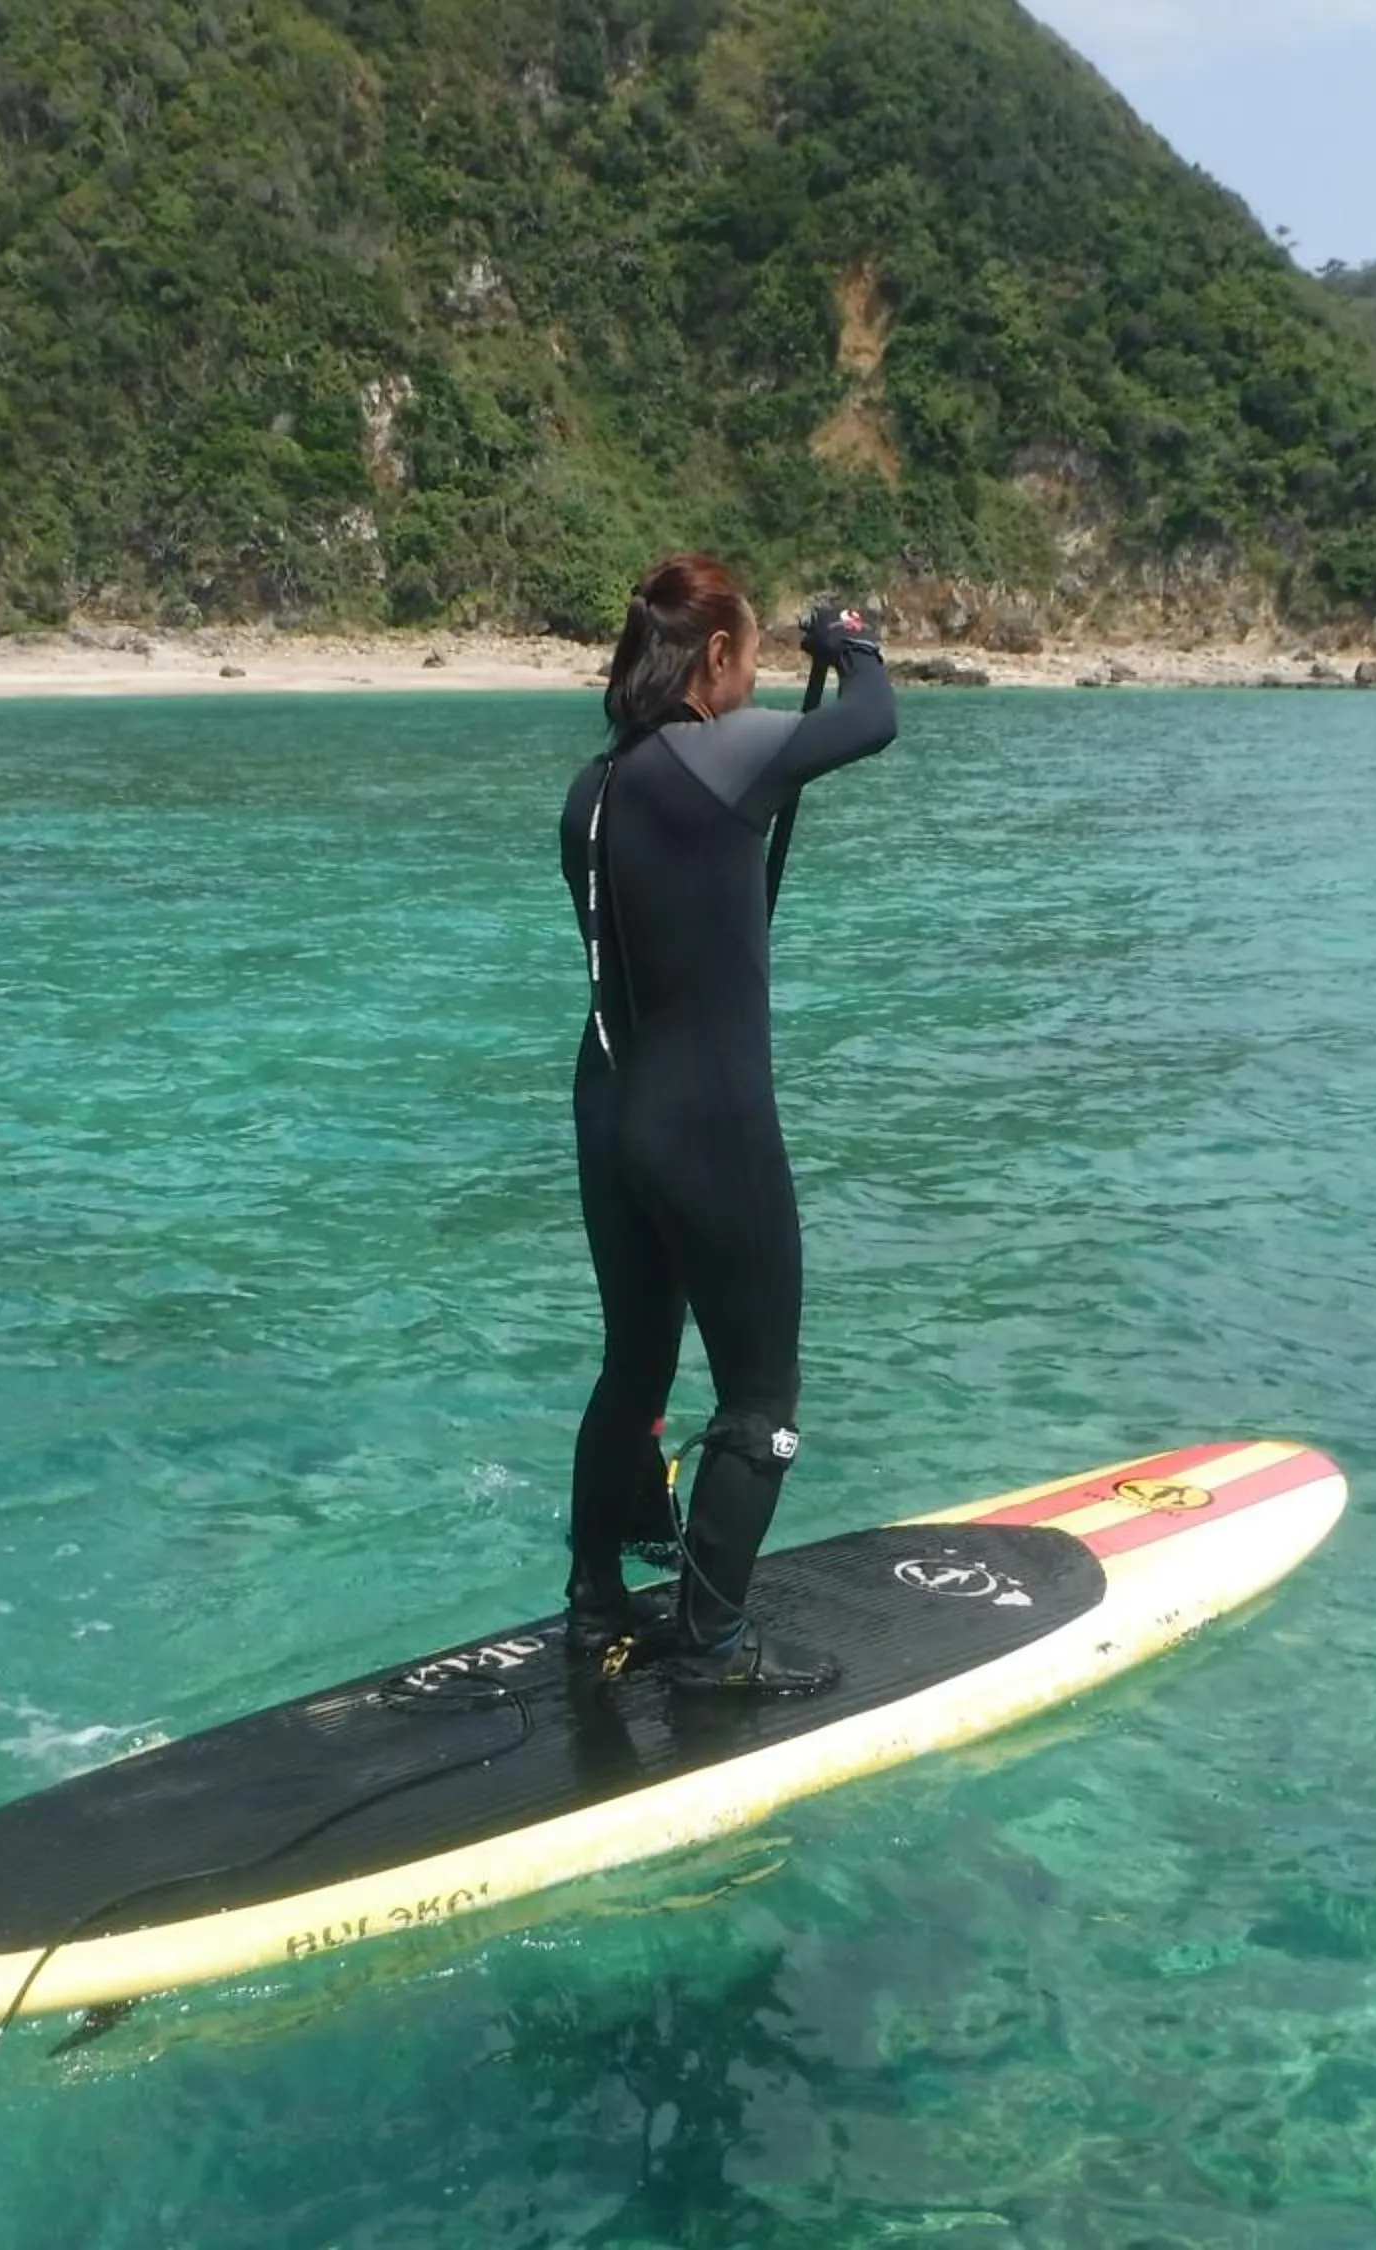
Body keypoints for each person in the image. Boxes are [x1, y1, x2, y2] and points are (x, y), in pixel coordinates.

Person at [557, 554, 896, 1694]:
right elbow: (873, 723)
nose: (756, 684)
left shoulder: (592, 791)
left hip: (609, 1111)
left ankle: (595, 1596)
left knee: (636, 1367)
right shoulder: (725, 757)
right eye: (752, 661)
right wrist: (849, 643)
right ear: (712, 659)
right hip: (709, 1124)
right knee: (760, 1392)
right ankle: (709, 1643)